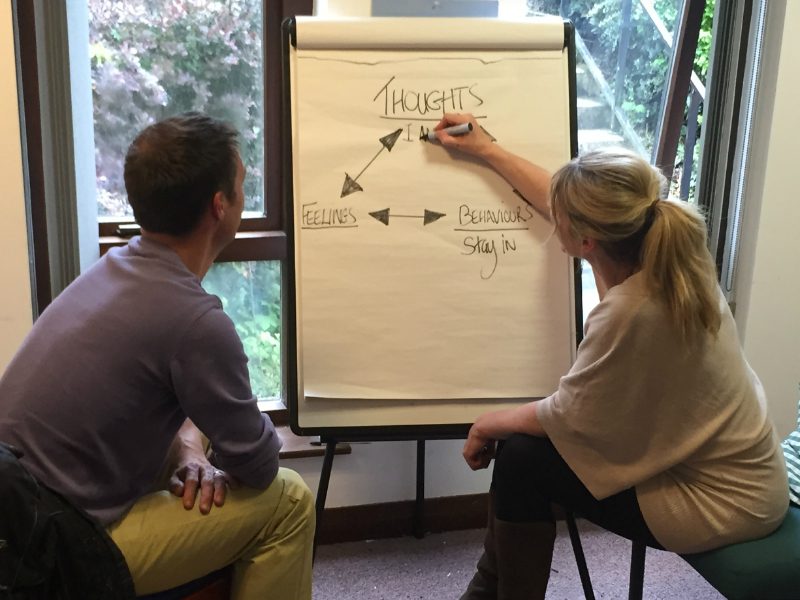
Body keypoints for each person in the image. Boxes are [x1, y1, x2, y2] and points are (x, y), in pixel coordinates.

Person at [433, 113, 790, 599]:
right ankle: (488, 589)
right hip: (747, 478)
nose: (551, 218)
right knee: (522, 454)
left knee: (521, 458)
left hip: (719, 503)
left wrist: (484, 424)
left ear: (586, 241)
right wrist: (488, 151)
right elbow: (561, 202)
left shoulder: (632, 312)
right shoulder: (678, 249)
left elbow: (567, 416)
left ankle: (490, 590)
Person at [0, 113, 314, 599]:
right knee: (288, 501)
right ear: (219, 206)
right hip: (52, 550)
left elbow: (152, 402)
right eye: (242, 185)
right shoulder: (196, 322)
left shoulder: (114, 270)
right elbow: (258, 467)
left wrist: (189, 447)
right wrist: (212, 437)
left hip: (18, 511)